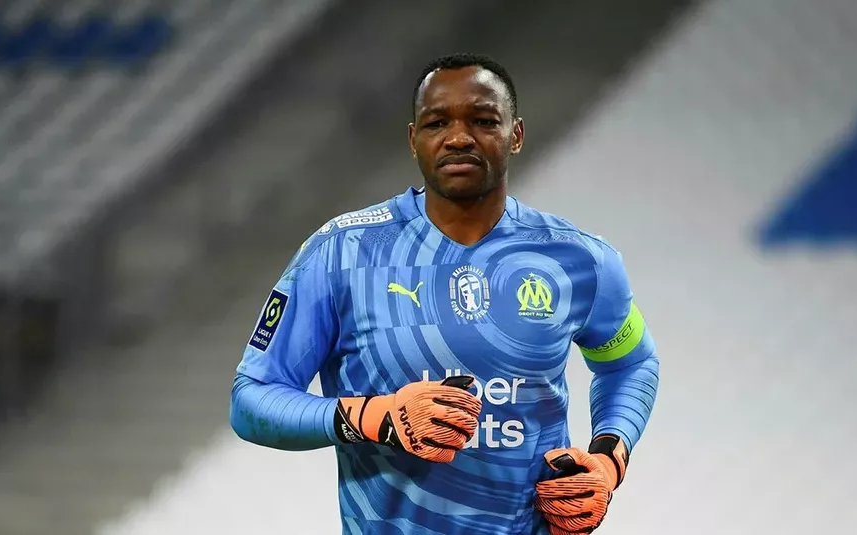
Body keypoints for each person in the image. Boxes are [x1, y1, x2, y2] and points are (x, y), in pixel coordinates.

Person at [230, 53, 660, 535]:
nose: (459, 137)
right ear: (413, 140)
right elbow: (252, 400)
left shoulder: (579, 259)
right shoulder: (342, 253)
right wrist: (377, 416)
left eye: (483, 120)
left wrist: (607, 461)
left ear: (516, 134)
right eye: (437, 123)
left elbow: (631, 363)